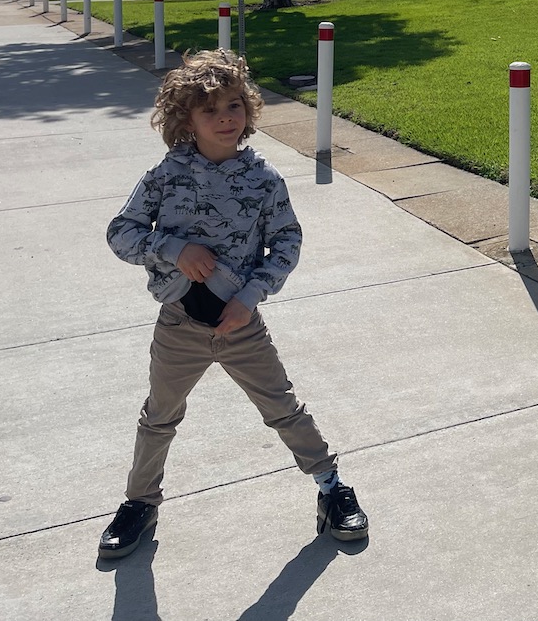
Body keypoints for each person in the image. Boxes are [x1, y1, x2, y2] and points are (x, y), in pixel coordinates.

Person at [98, 50, 367, 559]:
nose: (226, 117)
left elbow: (286, 243)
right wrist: (175, 249)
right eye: (210, 109)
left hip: (240, 322)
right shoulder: (166, 175)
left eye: (235, 106)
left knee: (283, 407)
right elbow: (121, 232)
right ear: (186, 120)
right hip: (179, 322)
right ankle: (139, 503)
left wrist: (249, 297)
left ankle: (332, 489)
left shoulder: (263, 180)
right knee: (159, 416)